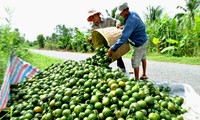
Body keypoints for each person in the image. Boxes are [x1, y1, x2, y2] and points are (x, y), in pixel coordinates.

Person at [108, 2, 148, 80]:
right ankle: (144, 74)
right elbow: (138, 25)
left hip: (139, 43)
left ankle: (136, 80)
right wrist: (124, 28)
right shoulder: (133, 14)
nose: (120, 14)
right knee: (143, 57)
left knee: (135, 61)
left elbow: (123, 38)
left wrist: (112, 48)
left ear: (126, 10)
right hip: (144, 39)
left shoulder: (130, 20)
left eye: (121, 12)